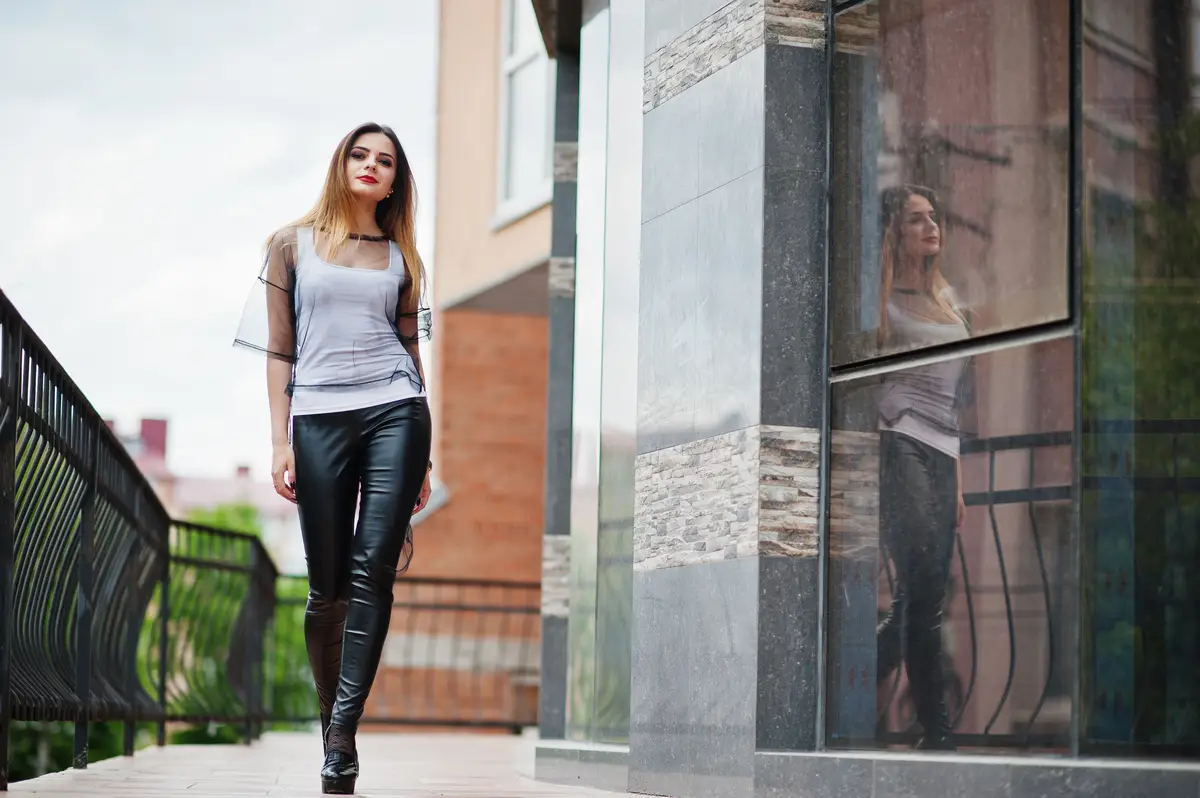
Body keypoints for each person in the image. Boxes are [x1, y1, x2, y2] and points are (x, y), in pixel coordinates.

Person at [234, 122, 433, 794]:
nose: (372, 166)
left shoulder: (403, 255)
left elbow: (410, 352)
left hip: (395, 413)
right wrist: (277, 437)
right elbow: (280, 350)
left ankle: (343, 734)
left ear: (395, 180)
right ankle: (331, 724)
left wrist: (423, 461)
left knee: (373, 572)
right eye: (361, 155)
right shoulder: (289, 246)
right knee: (328, 590)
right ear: (341, 163)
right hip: (317, 417)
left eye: (386, 161)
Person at [872, 184, 971, 751]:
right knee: (924, 590)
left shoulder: (950, 300)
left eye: (934, 216)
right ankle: (938, 731)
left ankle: (844, 679)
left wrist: (957, 480)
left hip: (941, 451)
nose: (931, 226)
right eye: (916, 219)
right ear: (895, 232)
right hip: (898, 441)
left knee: (918, 599)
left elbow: (956, 404)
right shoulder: (881, 297)